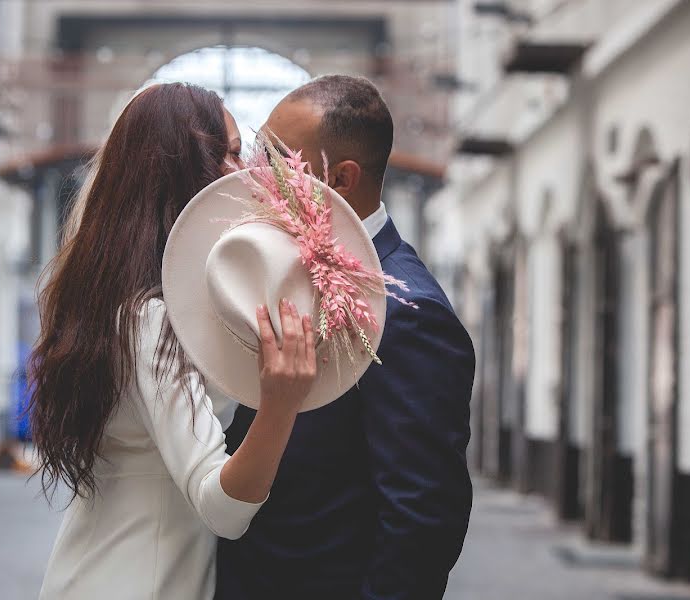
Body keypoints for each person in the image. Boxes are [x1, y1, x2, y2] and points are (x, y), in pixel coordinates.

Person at [30, 83, 319, 600]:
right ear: (184, 172)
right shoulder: (152, 321)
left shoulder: (113, 300)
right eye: (230, 153)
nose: (246, 171)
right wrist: (281, 405)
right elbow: (222, 509)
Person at [216, 75, 477, 600]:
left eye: (277, 159)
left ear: (341, 177)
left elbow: (421, 517)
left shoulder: (410, 313)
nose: (256, 173)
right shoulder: (284, 268)